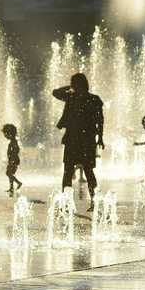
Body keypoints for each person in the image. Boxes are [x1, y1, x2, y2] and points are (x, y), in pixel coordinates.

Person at [53, 73, 104, 211]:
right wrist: (100, 137)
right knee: (84, 171)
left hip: (78, 139)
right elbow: (55, 93)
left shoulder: (78, 98)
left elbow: (100, 120)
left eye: (74, 83)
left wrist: (100, 137)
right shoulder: (85, 98)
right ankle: (89, 201)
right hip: (83, 139)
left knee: (72, 171)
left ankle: (73, 202)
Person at [2, 124, 22, 197]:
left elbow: (16, 149)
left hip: (14, 160)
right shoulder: (13, 141)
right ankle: (11, 188)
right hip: (13, 159)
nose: (5, 136)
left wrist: (12, 159)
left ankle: (19, 183)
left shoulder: (13, 141)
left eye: (6, 134)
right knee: (10, 173)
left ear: (9, 133)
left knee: (9, 173)